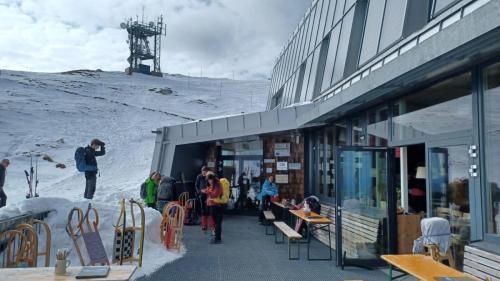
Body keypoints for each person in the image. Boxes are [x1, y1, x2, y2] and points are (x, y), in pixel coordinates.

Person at [202, 172, 223, 244]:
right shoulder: (213, 185)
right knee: (216, 223)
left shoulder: (217, 184)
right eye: (208, 180)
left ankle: (218, 239)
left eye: (209, 180)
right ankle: (217, 238)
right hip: (212, 206)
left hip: (217, 206)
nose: (208, 181)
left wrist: (207, 191)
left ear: (212, 179)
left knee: (217, 223)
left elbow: (215, 194)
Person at [196, 166, 213, 231]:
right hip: (201, 195)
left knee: (209, 210)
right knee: (203, 210)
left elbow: (212, 186)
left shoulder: (210, 177)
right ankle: (204, 225)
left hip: (209, 196)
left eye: (205, 172)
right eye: (203, 172)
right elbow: (196, 185)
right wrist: (199, 192)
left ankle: (211, 225)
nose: (204, 173)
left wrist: (208, 191)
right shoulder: (199, 177)